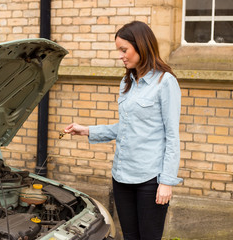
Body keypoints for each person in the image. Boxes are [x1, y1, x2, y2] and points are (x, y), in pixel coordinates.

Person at [64, 21, 182, 240]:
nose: (120, 55)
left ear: (141, 46)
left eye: (124, 50)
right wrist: (87, 130)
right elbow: (127, 128)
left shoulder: (166, 82)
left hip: (150, 180)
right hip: (121, 176)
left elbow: (172, 135)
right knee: (129, 236)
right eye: (119, 50)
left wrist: (166, 181)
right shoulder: (127, 82)